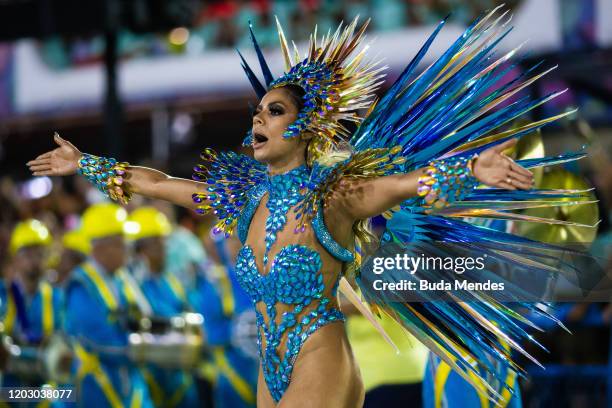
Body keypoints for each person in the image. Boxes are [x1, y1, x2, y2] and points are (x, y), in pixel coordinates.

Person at [27, 10, 591, 407]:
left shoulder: (335, 192)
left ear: (304, 125)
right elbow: (158, 183)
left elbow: (403, 184)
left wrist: (472, 169)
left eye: (273, 112)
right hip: (267, 365)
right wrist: (86, 163)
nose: (257, 120)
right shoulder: (240, 193)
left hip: (319, 352)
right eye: (257, 112)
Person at [63, 203, 153, 408]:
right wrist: (141, 350)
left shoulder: (122, 277)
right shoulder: (81, 284)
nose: (128, 250)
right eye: (122, 243)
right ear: (100, 248)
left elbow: (145, 314)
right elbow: (96, 338)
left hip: (130, 381)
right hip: (97, 385)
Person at [126, 206, 199, 407]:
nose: (164, 248)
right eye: (157, 243)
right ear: (140, 249)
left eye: (163, 242)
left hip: (179, 375)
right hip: (150, 374)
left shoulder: (170, 281)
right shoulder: (132, 286)